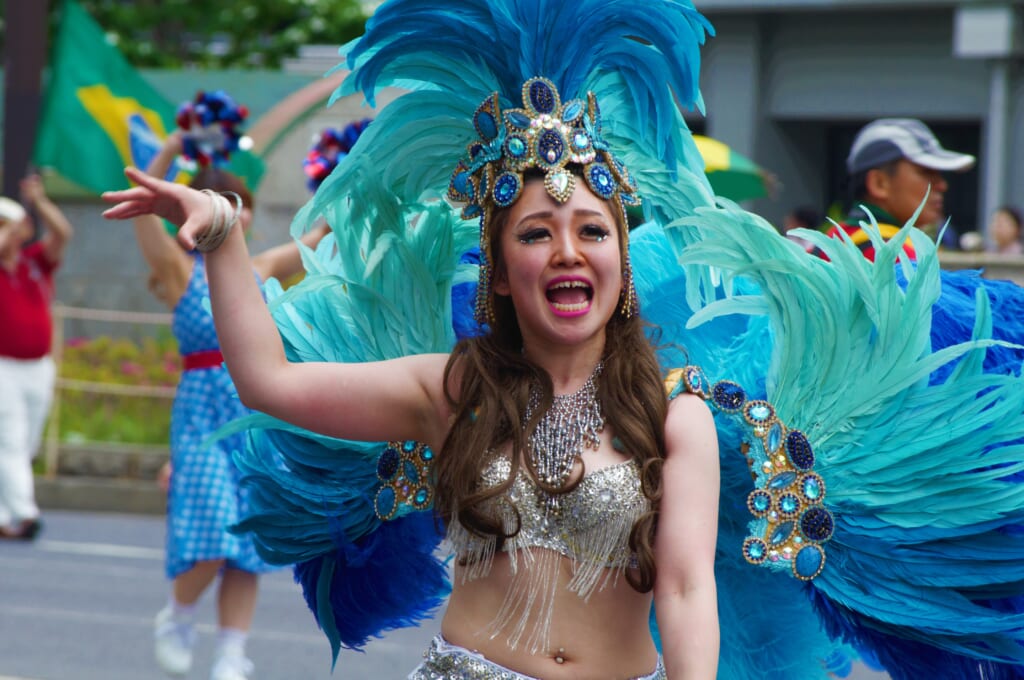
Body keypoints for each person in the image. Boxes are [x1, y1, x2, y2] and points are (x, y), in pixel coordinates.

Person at [104, 1, 1024, 679]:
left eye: (591, 231)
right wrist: (222, 239)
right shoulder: (454, 387)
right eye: (537, 234)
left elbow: (686, 589)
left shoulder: (678, 413)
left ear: (622, 263)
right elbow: (268, 382)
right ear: (502, 272)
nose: (568, 250)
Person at [130, 131, 328, 680]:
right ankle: (178, 614)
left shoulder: (256, 268)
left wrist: (346, 180)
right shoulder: (179, 270)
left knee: (249, 539)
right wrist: (171, 148)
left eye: (239, 204)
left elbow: (317, 238)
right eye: (221, 203)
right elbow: (144, 214)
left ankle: (231, 653)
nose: (235, 213)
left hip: (252, 413)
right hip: (200, 415)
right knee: (218, 532)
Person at [0, 175, 73, 541]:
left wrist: (39, 201)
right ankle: (25, 513)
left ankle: (3, 513)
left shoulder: (34, 262)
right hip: (3, 367)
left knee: (26, 443)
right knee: (10, 439)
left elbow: (62, 234)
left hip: (38, 367)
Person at [819, 118, 975, 261]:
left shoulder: (836, 237)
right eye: (926, 172)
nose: (942, 185)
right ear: (879, 183)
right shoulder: (890, 254)